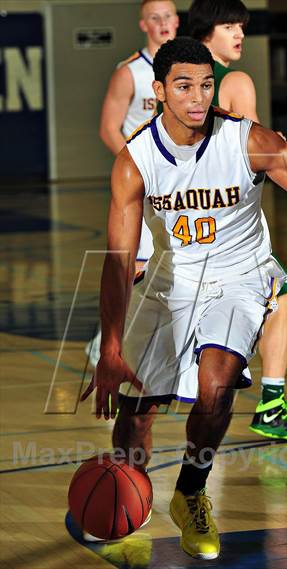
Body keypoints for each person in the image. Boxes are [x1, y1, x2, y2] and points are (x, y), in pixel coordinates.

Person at [81, 37, 287, 560]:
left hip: (239, 276)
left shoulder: (249, 141)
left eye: (206, 85)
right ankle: (129, 489)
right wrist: (113, 346)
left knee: (217, 383)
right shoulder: (135, 161)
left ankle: (191, 491)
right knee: (135, 411)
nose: (197, 97)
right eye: (184, 86)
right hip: (171, 278)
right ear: (160, 90)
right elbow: (119, 260)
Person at [189, 0, 287, 440]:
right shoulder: (235, 80)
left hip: (182, 214)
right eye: (230, 26)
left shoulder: (180, 79)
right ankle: (269, 403)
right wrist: (279, 144)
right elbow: (255, 151)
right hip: (226, 218)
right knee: (273, 291)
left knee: (277, 294)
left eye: (242, 26)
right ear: (208, 31)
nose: (240, 34)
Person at [86, 0, 179, 364]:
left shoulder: (186, 67)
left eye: (168, 16)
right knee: (136, 267)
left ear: (177, 20)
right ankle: (106, 343)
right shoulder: (130, 72)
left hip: (177, 187)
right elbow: (108, 128)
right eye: (155, 18)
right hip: (143, 187)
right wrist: (138, 164)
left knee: (173, 263)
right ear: (144, 25)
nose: (163, 24)